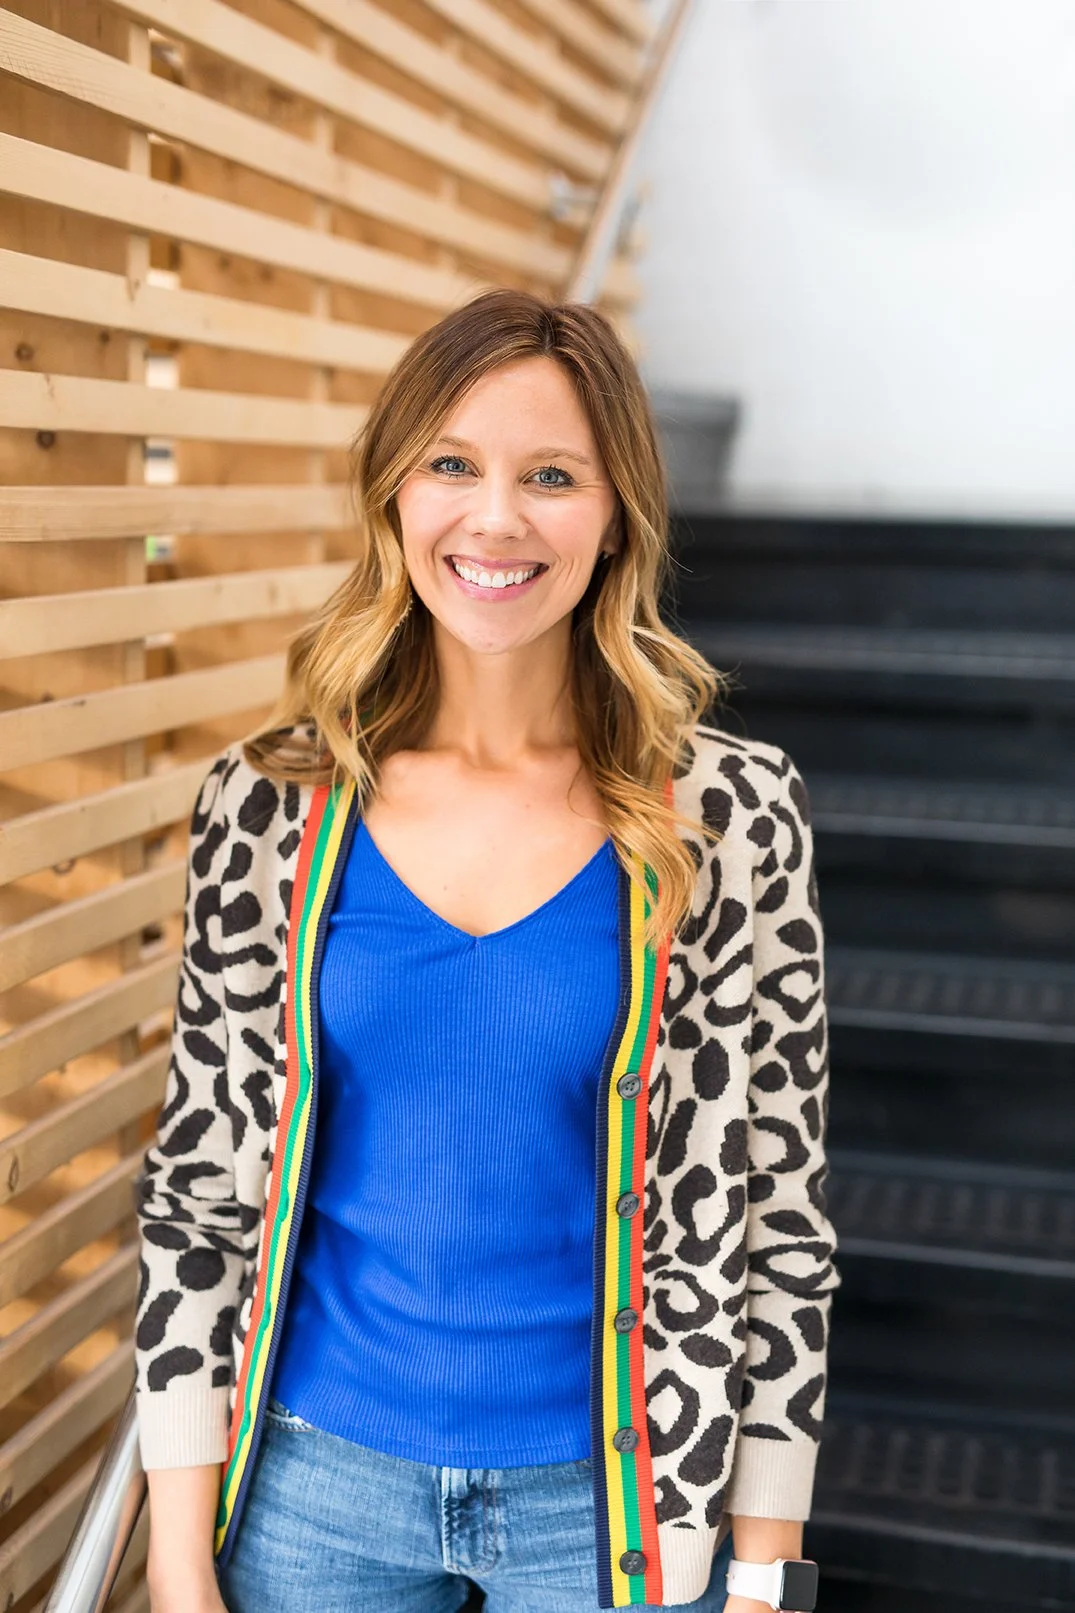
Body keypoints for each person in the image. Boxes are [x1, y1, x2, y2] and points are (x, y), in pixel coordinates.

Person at [134, 288, 840, 1613]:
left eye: (551, 475)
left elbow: (778, 1217)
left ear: (616, 511)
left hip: (618, 1505)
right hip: (309, 1488)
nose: (497, 517)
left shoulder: (729, 814)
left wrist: (760, 1575)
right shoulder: (270, 803)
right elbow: (198, 1197)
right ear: (394, 494)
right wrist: (177, 1557)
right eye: (451, 464)